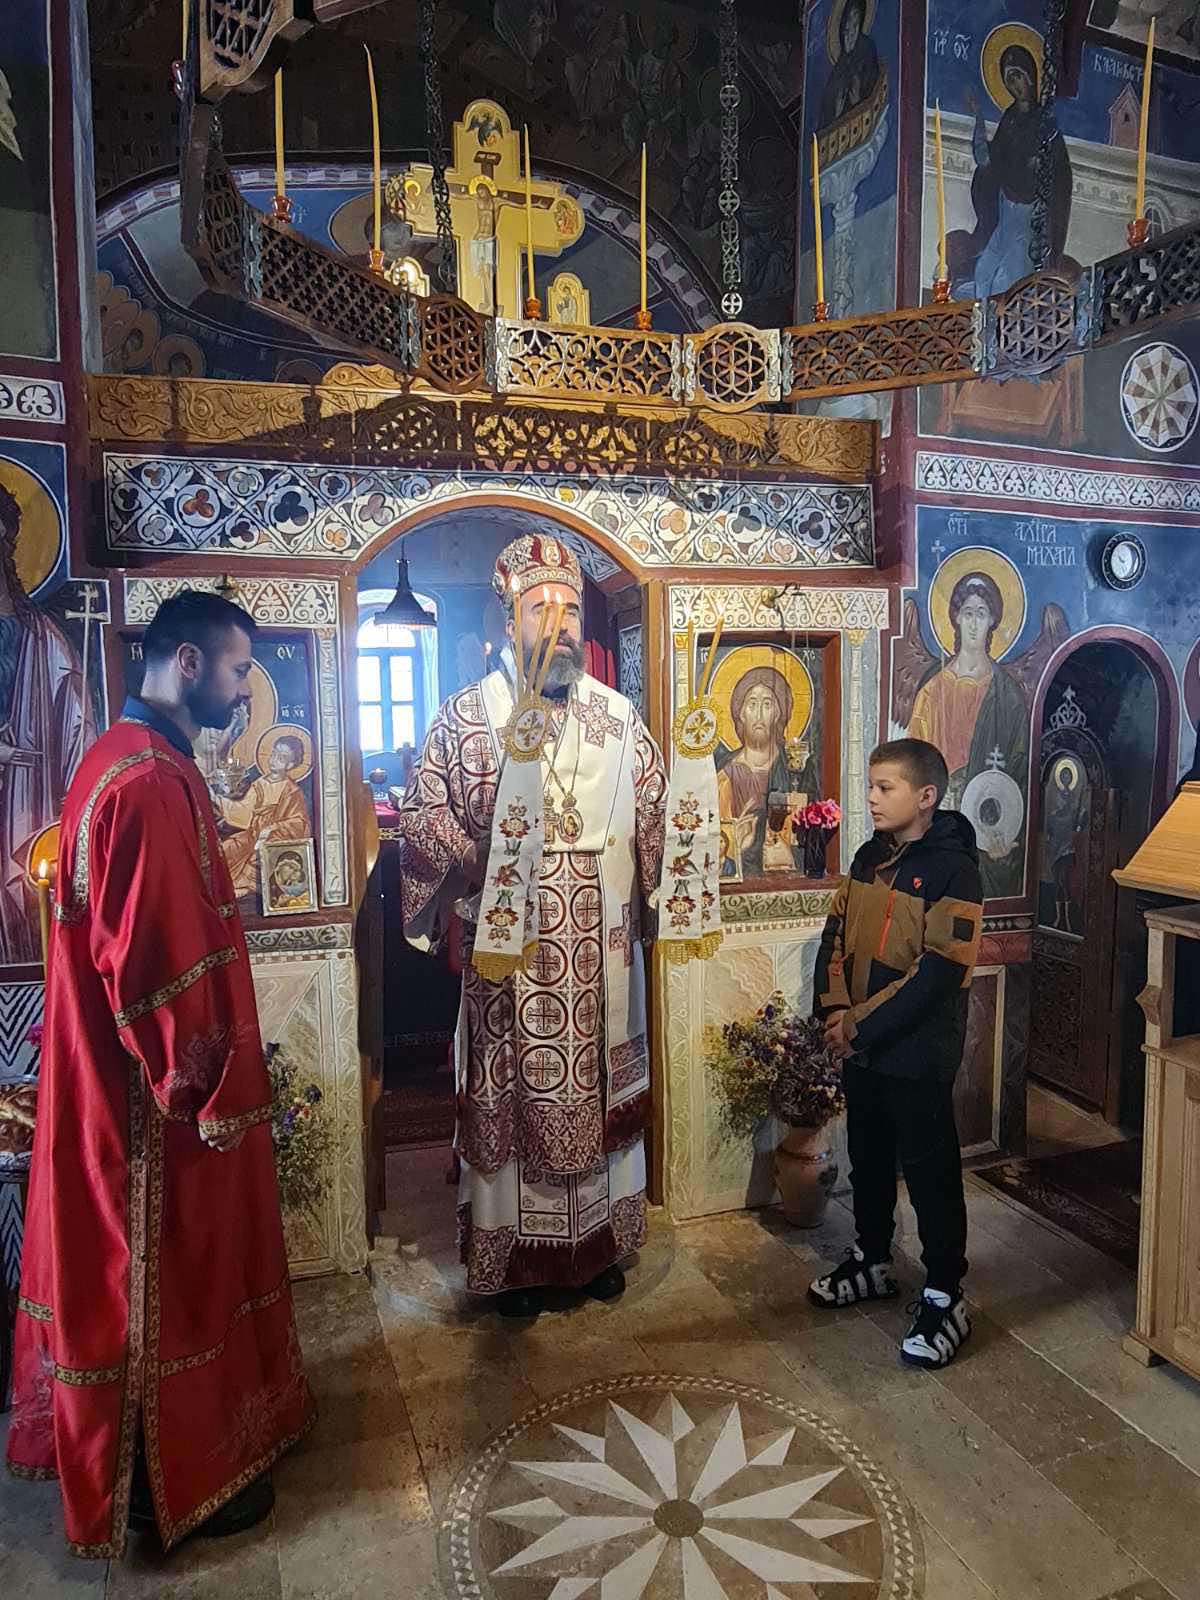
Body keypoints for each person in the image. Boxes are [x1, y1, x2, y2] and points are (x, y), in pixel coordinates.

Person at [6, 589, 315, 1556]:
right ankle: (160, 1485)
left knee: (174, 1277)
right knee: (158, 1277)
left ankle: (174, 1460)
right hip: (150, 1107)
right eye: (237, 670)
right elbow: (153, 964)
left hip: (125, 1085)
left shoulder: (130, 758)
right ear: (187, 663)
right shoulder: (143, 782)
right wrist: (205, 1085)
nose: (243, 690)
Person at [397, 535, 666, 1317]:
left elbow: (656, 811)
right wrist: (477, 859)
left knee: (602, 1096)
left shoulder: (619, 716)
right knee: (508, 1104)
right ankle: (513, 1263)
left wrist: (682, 835)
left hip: (601, 958)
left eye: (571, 609)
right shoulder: (464, 719)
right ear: (508, 621)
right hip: (507, 962)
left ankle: (597, 1250)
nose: (559, 623)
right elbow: (421, 818)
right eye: (540, 608)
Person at [808, 738, 982, 1369]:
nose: (872, 798)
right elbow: (835, 934)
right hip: (863, 1047)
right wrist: (834, 1009)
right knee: (870, 1157)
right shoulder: (867, 856)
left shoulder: (954, 870)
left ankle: (945, 1293)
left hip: (916, 1052)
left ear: (926, 795)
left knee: (932, 1174)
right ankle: (873, 1258)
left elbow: (938, 972)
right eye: (871, 786)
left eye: (886, 788)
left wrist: (857, 1026)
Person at [0, 478, 95, 963]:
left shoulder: (44, 638)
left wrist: (74, 808)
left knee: (22, 896)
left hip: (28, 798)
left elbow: (77, 733)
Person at [907, 570, 1028, 897]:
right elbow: (913, 760)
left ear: (993, 622)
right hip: (940, 815)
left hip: (987, 819)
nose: (974, 623)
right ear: (956, 619)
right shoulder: (933, 690)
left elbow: (1020, 767)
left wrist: (1007, 824)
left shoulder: (1007, 695)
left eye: (982, 613)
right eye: (968, 612)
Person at [951, 45, 1072, 298]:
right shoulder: (1010, 118)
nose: (1014, 85)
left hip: (1027, 217)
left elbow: (1059, 177)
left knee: (1007, 278)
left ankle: (996, 318)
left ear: (1030, 77)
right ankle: (981, 316)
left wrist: (1040, 164)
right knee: (983, 272)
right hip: (1007, 209)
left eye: (1018, 76)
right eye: (1009, 79)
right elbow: (989, 159)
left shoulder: (1045, 123)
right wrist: (978, 117)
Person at [716, 664, 818, 877]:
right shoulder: (724, 773)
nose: (759, 714)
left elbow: (813, 833)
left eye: (768, 704)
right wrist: (736, 845)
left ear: (779, 713)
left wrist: (791, 855)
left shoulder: (796, 768)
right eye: (752, 704)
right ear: (740, 713)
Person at [215, 730, 312, 900]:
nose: (274, 759)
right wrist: (219, 800)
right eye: (273, 754)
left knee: (257, 855)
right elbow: (244, 811)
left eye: (281, 757)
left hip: (275, 837)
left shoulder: (291, 791)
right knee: (228, 847)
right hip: (253, 833)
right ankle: (222, 887)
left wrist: (272, 828)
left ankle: (245, 886)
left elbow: (299, 822)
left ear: (290, 765)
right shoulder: (259, 783)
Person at [818, 0, 880, 129]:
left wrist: (858, 100)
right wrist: (836, 113)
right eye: (847, 27)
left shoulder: (867, 50)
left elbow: (873, 88)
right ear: (842, 30)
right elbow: (827, 113)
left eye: (855, 25)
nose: (851, 32)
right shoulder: (838, 69)